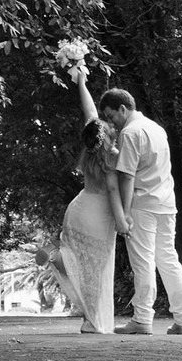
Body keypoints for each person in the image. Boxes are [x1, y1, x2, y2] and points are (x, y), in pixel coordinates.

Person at [98, 88, 182, 336]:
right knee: (169, 260)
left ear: (122, 109)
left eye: (111, 116)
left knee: (143, 262)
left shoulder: (130, 133)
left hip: (143, 204)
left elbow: (127, 176)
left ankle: (142, 318)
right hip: (166, 202)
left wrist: (125, 212)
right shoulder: (156, 128)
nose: (111, 123)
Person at [55, 66, 132, 334]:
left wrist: (82, 82)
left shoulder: (91, 149)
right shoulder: (113, 154)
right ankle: (90, 320)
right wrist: (122, 221)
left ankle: (62, 261)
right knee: (95, 271)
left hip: (78, 210)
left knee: (83, 265)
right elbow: (112, 190)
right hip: (98, 216)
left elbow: (89, 112)